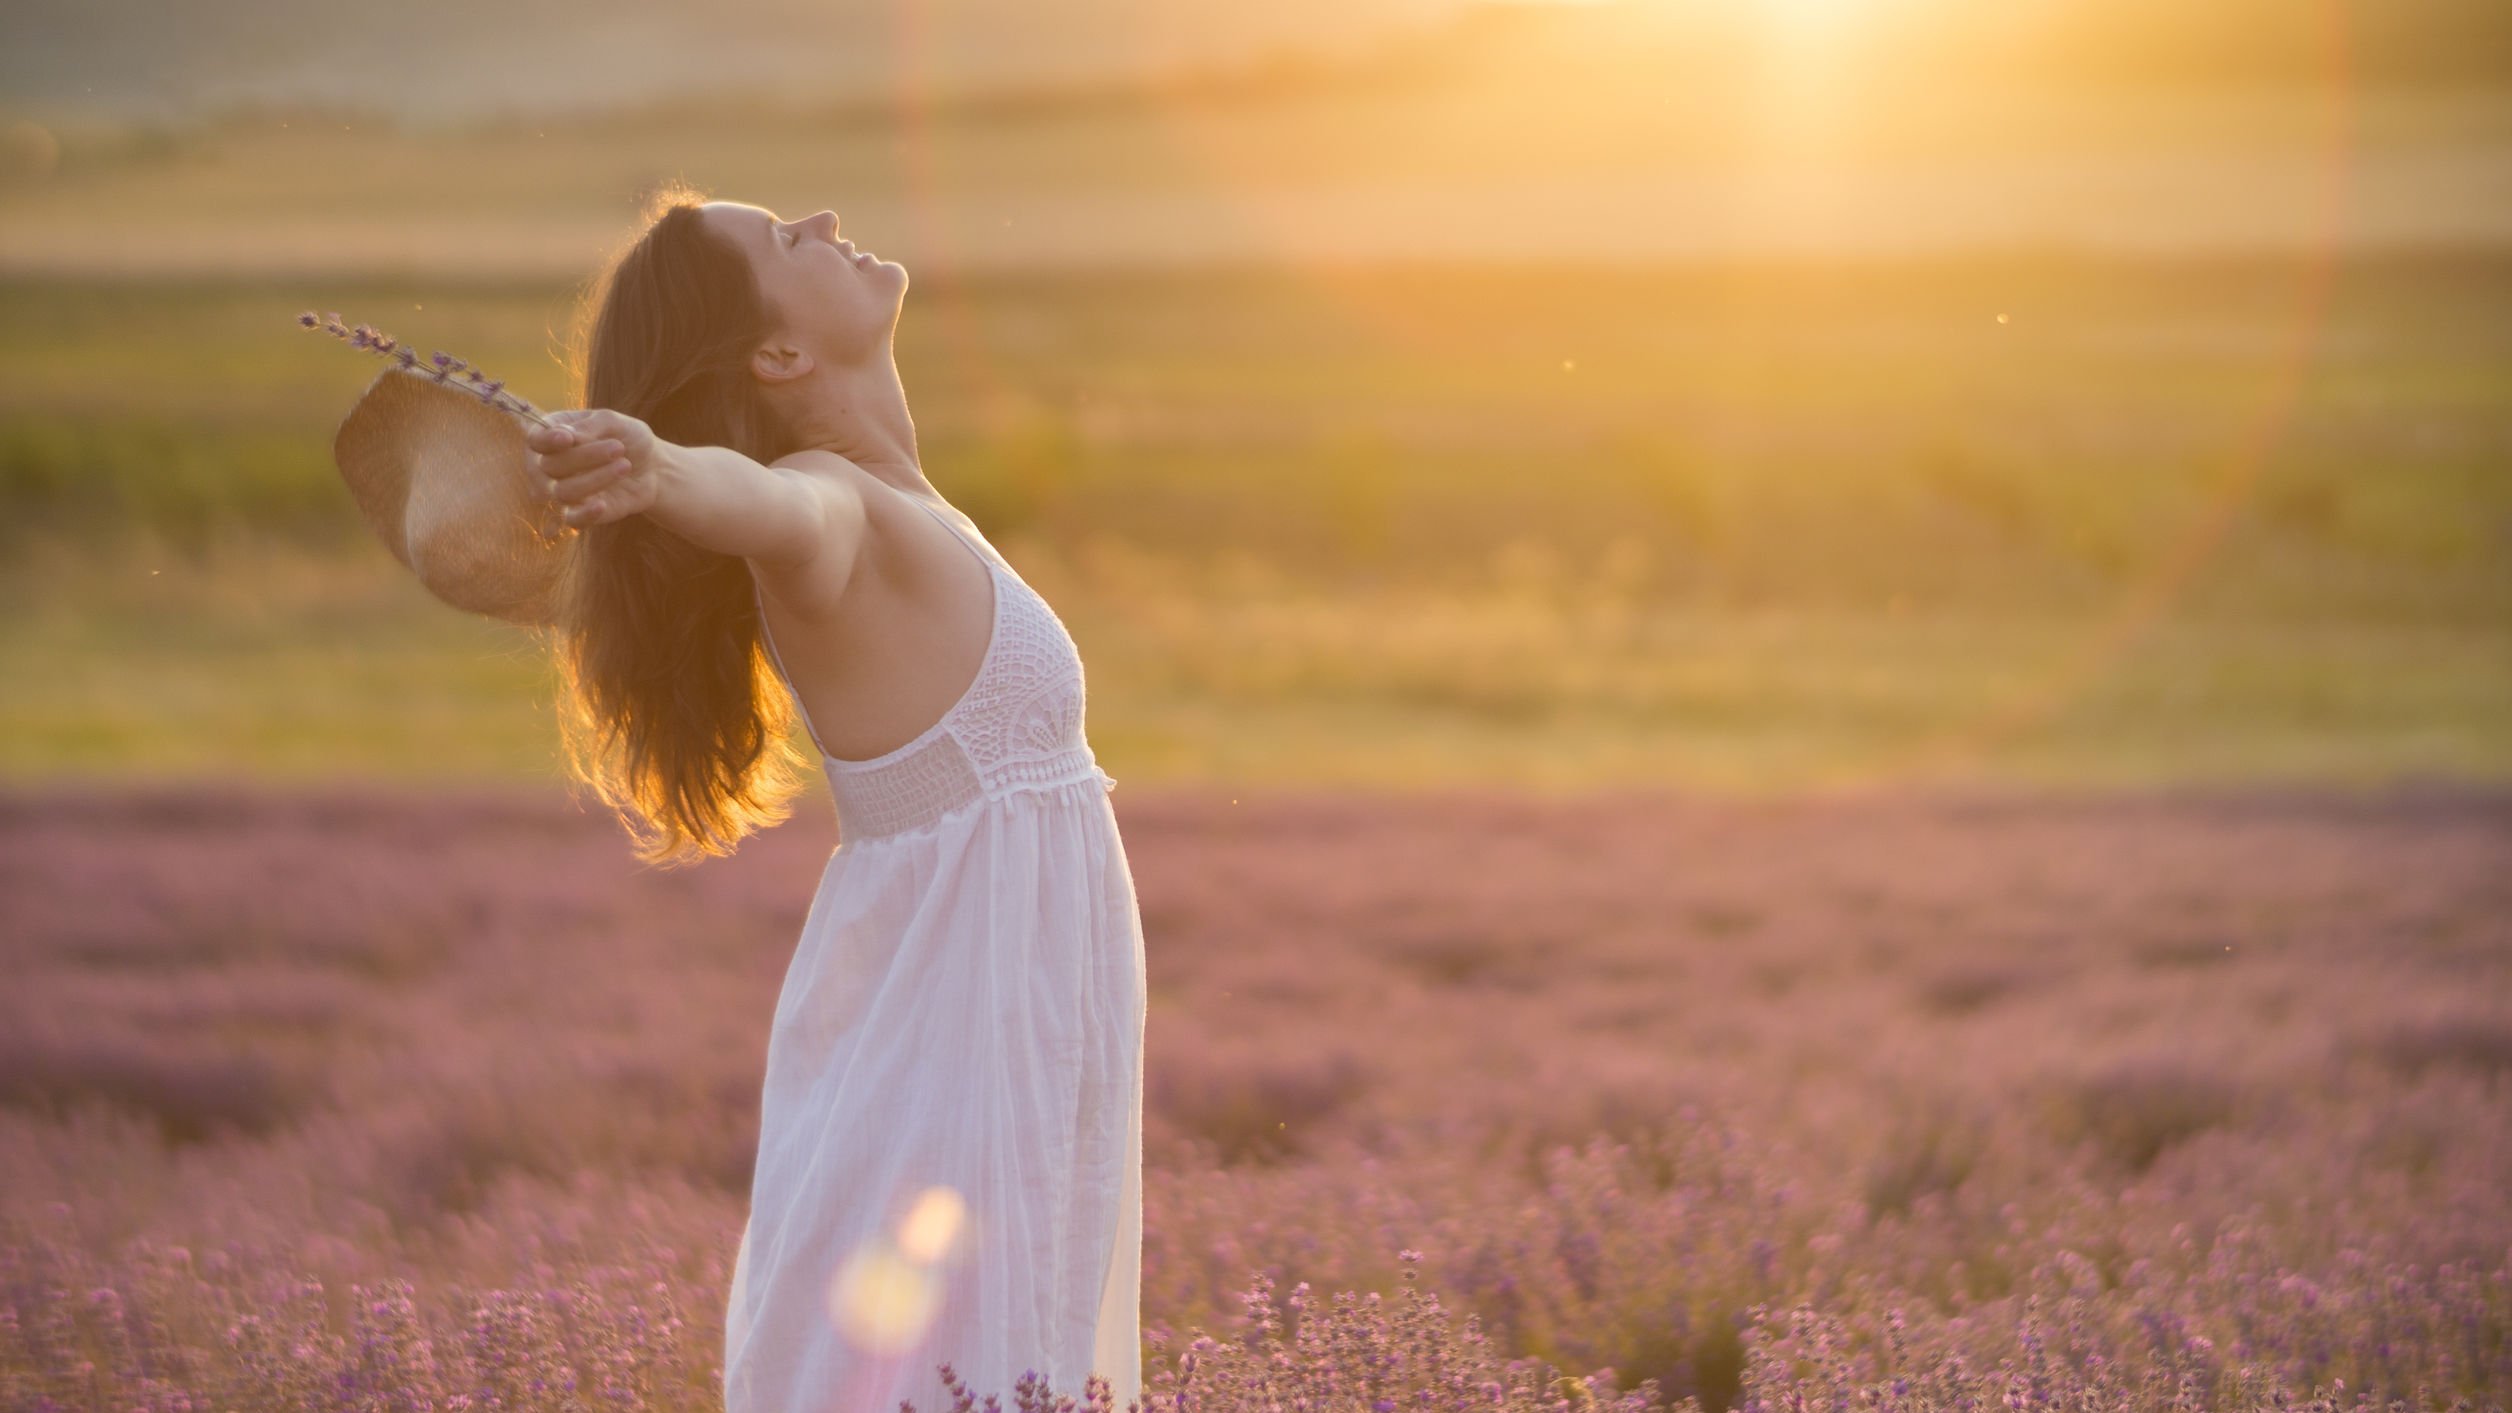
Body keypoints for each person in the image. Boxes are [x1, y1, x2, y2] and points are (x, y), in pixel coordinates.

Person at [522, 182, 1146, 1412]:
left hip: (1007, 1022)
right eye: (780, 239)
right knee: (939, 1366)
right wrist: (656, 469)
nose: (815, 215)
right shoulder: (832, 508)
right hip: (951, 1042)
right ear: (780, 352)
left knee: (1001, 1354)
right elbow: (764, 503)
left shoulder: (910, 501)